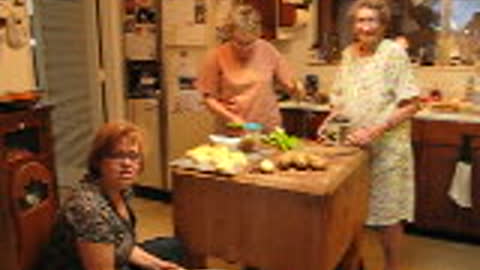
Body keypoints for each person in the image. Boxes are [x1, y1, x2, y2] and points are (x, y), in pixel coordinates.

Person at [318, 1, 420, 270]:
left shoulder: (393, 53)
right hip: (356, 152)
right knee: (354, 215)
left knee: (387, 218)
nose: (365, 27)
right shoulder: (349, 53)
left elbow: (411, 104)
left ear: (383, 25)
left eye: (372, 21)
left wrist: (374, 131)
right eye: (360, 21)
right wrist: (333, 117)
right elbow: (340, 97)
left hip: (388, 152)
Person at [41, 122, 184, 270]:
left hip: (113, 257)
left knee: (174, 246)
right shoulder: (88, 210)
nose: (127, 163)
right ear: (98, 161)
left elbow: (122, 243)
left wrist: (161, 266)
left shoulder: (121, 189)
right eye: (117, 155)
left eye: (133, 155)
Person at [196, 4, 304, 134]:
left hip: (267, 128)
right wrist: (232, 118)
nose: (244, 49)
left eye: (250, 43)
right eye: (239, 43)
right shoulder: (217, 56)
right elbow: (208, 98)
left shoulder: (268, 50)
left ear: (258, 35)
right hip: (233, 130)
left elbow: (289, 84)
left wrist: (297, 88)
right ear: (230, 35)